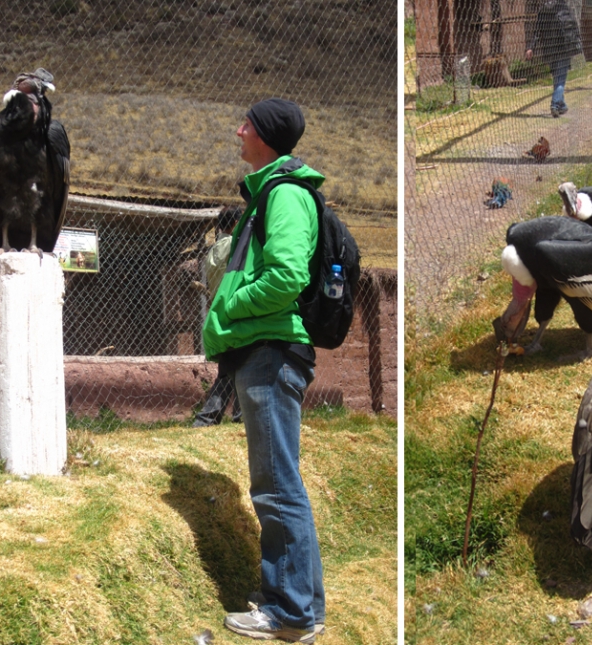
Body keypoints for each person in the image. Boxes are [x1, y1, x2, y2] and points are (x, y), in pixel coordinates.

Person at [202, 98, 324, 644]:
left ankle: (287, 613)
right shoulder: (271, 192)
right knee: (283, 483)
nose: (238, 131)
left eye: (246, 125)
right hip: (265, 348)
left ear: (267, 137)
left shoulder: (285, 194)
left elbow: (287, 276)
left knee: (275, 487)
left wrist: (230, 305)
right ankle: (305, 608)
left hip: (270, 351)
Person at [193, 206, 244, 427]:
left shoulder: (213, 251)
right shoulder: (235, 245)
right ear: (235, 224)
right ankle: (238, 415)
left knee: (230, 367)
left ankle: (210, 418)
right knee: (241, 363)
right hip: (235, 309)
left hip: (219, 312)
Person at [525, 0, 582, 118]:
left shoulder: (543, 10)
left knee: (557, 78)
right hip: (564, 48)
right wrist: (577, 45)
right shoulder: (563, 7)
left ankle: (562, 105)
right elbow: (574, 28)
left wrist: (531, 47)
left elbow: (537, 32)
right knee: (560, 79)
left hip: (550, 50)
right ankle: (555, 104)